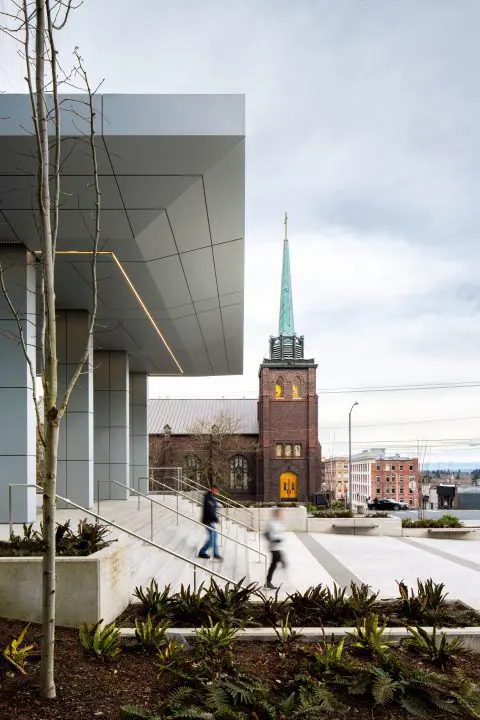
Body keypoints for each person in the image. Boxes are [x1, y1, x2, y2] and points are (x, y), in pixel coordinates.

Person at [198, 484, 223, 560]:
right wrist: (216, 519)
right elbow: (210, 511)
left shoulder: (211, 496)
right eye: (217, 489)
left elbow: (213, 506)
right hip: (208, 520)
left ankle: (215, 554)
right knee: (213, 538)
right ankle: (202, 553)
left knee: (214, 537)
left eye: (218, 490)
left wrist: (218, 505)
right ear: (213, 489)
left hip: (210, 520)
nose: (218, 491)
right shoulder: (208, 497)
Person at [265, 507, 286, 589]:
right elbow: (266, 534)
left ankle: (268, 582)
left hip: (278, 547)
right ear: (277, 514)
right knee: (274, 564)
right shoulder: (271, 523)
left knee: (274, 563)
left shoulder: (278, 522)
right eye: (280, 513)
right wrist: (274, 540)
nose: (282, 515)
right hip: (274, 547)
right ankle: (268, 582)